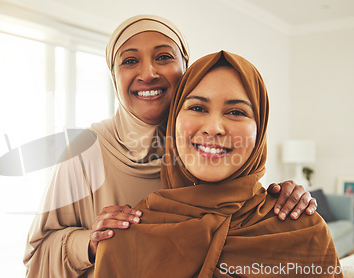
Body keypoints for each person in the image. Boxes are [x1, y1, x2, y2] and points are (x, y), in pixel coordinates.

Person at [23, 15, 317, 278]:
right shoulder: (83, 150)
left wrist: (288, 198)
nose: (148, 72)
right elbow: (37, 255)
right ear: (114, 76)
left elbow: (239, 209)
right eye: (129, 60)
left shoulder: (205, 147)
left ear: (186, 70)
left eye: (163, 57)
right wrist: (90, 242)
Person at [94, 51, 341, 278]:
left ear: (260, 129)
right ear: (173, 122)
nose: (214, 128)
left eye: (236, 112)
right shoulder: (126, 237)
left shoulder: (303, 231)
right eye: (198, 107)